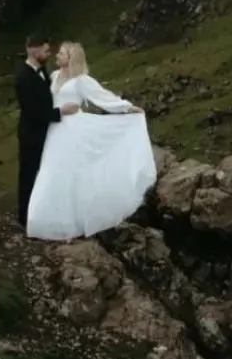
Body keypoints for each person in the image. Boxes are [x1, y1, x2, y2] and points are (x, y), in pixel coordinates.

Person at [24, 40, 156, 242]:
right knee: (51, 171)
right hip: (55, 130)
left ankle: (70, 225)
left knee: (70, 173)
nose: (57, 55)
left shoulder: (81, 81)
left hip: (73, 131)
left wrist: (127, 107)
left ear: (72, 58)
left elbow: (102, 97)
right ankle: (43, 222)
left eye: (62, 53)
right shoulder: (54, 76)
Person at [16, 33, 76, 225]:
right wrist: (60, 112)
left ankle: (40, 213)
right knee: (29, 174)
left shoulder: (43, 71)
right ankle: (25, 218)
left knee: (43, 175)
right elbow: (33, 112)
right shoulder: (23, 77)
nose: (49, 53)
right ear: (34, 50)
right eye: (45, 50)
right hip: (31, 134)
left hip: (45, 133)